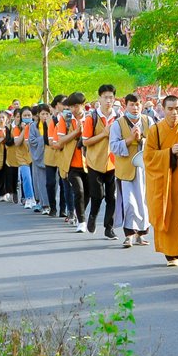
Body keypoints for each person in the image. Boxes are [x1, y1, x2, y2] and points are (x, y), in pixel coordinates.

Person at [143, 95, 178, 266]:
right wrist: (169, 152)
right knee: (168, 215)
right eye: (170, 109)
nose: (174, 112)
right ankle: (171, 254)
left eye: (177, 109)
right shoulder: (156, 131)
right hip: (165, 183)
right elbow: (148, 157)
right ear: (163, 109)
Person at [109, 93, 152, 246]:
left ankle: (142, 233)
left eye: (138, 104)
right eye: (132, 105)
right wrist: (130, 139)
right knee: (129, 202)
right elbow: (113, 146)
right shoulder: (118, 124)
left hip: (145, 169)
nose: (135, 108)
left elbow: (154, 144)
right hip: (126, 168)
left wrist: (141, 139)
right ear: (125, 105)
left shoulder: (148, 121)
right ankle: (129, 234)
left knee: (144, 201)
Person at [82, 84, 119, 239]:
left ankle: (108, 228)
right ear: (99, 99)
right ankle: (92, 216)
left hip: (113, 163)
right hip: (94, 162)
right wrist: (104, 134)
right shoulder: (92, 117)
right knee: (98, 195)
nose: (108, 100)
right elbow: (85, 141)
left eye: (111, 97)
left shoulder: (118, 118)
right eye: (105, 97)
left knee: (112, 197)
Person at [55, 92, 88, 232]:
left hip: (89, 162)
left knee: (89, 193)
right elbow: (61, 141)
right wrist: (76, 132)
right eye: (71, 106)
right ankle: (81, 221)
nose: (73, 109)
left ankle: (78, 211)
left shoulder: (91, 118)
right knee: (78, 191)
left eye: (76, 106)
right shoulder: (65, 119)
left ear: (83, 105)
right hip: (71, 163)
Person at [28, 105, 51, 214]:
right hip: (39, 156)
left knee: (52, 182)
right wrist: (44, 139)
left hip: (51, 156)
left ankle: (51, 203)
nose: (45, 116)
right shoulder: (33, 126)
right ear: (38, 115)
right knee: (40, 182)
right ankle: (44, 204)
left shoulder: (53, 125)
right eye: (43, 114)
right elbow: (32, 141)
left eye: (47, 114)